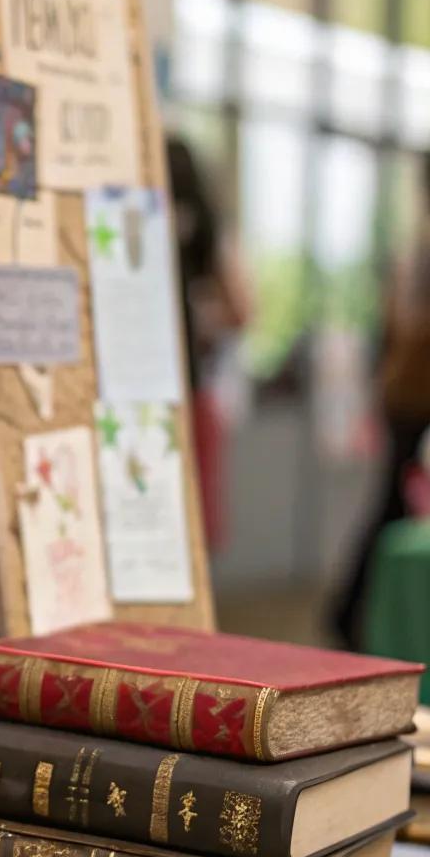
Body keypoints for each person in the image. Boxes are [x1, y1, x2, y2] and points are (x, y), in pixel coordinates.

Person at [330, 151, 430, 649]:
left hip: (405, 399)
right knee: (395, 512)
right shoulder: (420, 249)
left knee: (393, 511)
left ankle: (352, 615)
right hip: (414, 401)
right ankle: (353, 616)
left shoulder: (416, 246)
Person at [166, 135, 250, 548]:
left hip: (148, 392)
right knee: (192, 529)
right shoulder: (209, 228)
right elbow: (243, 310)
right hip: (195, 391)